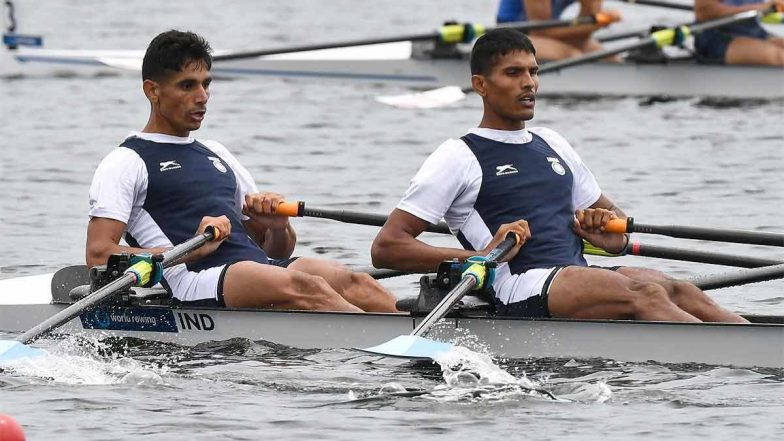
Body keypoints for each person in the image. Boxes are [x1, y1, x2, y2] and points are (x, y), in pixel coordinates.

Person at [371, 28, 747, 323]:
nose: (529, 83)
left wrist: (609, 236)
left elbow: (614, 229)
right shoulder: (458, 155)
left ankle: (754, 345)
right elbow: (387, 247)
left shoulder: (552, 143)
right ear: (481, 85)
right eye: (513, 73)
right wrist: (478, 256)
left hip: (572, 276)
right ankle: (735, 356)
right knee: (646, 296)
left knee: (676, 289)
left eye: (534, 72)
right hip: (520, 283)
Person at [86, 30, 398, 313]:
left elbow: (275, 248)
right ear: (152, 91)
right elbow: (99, 255)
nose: (202, 96)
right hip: (195, 280)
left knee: (354, 282)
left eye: (206, 83)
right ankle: (394, 350)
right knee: (310, 287)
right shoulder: (126, 161)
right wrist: (189, 251)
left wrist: (277, 227)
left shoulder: (217, 153)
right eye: (187, 85)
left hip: (257, 268)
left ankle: (423, 339)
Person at [496, 0, 621, 60]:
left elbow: (586, 28)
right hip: (511, 37)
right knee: (574, 56)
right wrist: (597, 24)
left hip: (545, 34)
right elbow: (541, 32)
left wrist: (599, 18)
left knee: (608, 57)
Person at [694, 0, 784, 66]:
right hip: (716, 38)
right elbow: (705, 12)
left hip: (753, 33)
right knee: (779, 57)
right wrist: (761, 8)